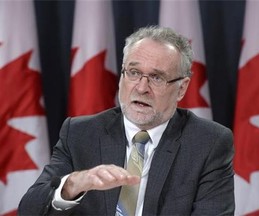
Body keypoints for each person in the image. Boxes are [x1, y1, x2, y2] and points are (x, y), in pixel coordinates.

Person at [18, 25, 235, 215]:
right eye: (133, 72)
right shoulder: (79, 133)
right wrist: (72, 185)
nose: (141, 88)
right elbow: (29, 210)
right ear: (122, 76)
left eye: (156, 78)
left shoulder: (209, 143)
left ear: (182, 88)